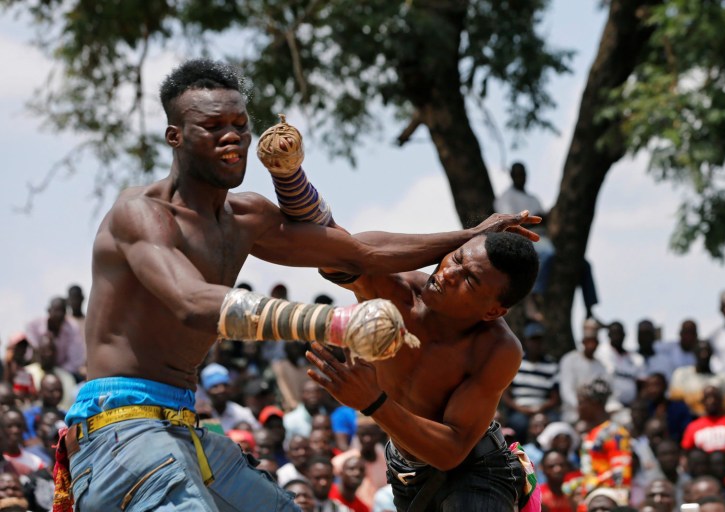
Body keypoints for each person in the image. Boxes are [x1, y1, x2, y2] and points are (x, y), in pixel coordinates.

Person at [56, 58, 537, 512]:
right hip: (120, 424)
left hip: (181, 424)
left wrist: (473, 233)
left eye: (240, 126)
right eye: (213, 127)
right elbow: (190, 301)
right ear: (175, 136)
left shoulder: (246, 216)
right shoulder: (140, 213)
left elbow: (351, 251)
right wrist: (335, 323)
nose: (232, 138)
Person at [305, 230, 541, 511]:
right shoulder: (396, 289)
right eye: (455, 257)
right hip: (407, 471)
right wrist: (471, 234)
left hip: (476, 470)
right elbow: (335, 254)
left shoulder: (496, 348)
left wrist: (373, 402)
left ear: (492, 311)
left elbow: (452, 449)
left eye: (469, 279)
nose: (449, 274)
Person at [494, 161, 600, 322]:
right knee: (547, 252)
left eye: (523, 174)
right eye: (517, 174)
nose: (520, 178)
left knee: (582, 264)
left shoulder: (533, 198)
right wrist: (536, 219)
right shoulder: (506, 198)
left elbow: (542, 218)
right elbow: (510, 222)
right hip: (525, 237)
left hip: (545, 235)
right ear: (512, 176)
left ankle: (590, 309)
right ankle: (534, 294)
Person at [25, 297, 85, 378]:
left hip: (64, 371)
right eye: (56, 310)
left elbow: (75, 361)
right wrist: (40, 350)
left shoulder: (72, 328)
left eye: (62, 311)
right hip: (38, 365)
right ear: (49, 310)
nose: (59, 314)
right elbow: (30, 337)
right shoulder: (35, 325)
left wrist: (58, 372)